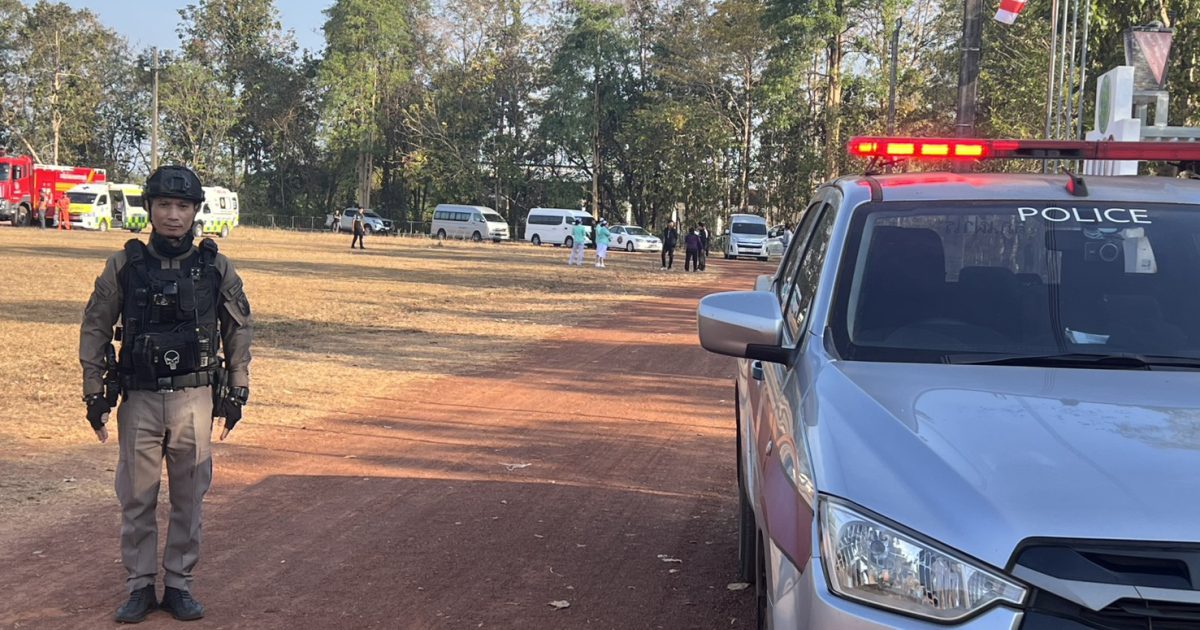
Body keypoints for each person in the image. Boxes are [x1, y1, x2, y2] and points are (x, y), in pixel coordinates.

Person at [79, 165, 253, 624]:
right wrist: (94, 390)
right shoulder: (124, 266)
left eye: (182, 206)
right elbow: (95, 326)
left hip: (194, 399)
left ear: (195, 211)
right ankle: (140, 587)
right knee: (136, 498)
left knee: (189, 498)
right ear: (149, 208)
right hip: (139, 398)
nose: (173, 215)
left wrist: (237, 387)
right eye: (163, 205)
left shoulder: (215, 266)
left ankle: (178, 584)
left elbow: (238, 327)